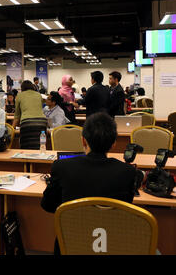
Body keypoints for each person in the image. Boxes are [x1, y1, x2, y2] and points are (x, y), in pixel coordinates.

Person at [41, 113, 136, 255]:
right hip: (111, 245)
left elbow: (47, 205)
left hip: (69, 244)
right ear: (114, 144)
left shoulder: (61, 167)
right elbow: (125, 208)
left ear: (83, 141)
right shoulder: (127, 172)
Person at [13, 81, 47, 149]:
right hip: (42, 122)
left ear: (22, 88)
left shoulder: (19, 96)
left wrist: (12, 128)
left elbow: (17, 116)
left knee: (26, 147)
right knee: (41, 146)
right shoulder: (38, 95)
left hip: (27, 123)